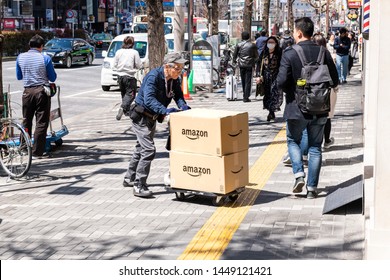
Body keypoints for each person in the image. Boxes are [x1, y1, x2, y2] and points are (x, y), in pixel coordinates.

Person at [277, 17, 338, 199]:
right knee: (315, 147)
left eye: (295, 32)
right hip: (319, 106)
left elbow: (281, 82)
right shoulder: (323, 52)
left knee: (293, 141)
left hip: (296, 107)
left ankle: (298, 175)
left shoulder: (289, 53)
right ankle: (312, 189)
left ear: (299, 33)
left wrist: (294, 88)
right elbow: (334, 80)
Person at [123, 52, 190, 198]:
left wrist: (183, 105)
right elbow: (149, 100)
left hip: (152, 118)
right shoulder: (154, 77)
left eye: (181, 69)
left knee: (141, 147)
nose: (180, 72)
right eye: (177, 68)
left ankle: (129, 177)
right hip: (140, 117)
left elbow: (178, 95)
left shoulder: (174, 79)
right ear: (167, 67)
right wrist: (165, 111)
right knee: (148, 150)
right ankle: (139, 185)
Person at [16, 34, 57, 158]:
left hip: (27, 92)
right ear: (41, 46)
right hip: (41, 92)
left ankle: (24, 148)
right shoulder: (45, 58)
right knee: (41, 122)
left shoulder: (20, 57)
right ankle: (37, 152)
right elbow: (52, 77)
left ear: (29, 45)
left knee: (26, 120)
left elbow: (19, 76)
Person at [312, 33, 339, 149]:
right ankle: (326, 141)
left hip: (311, 90)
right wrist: (335, 85)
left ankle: (313, 142)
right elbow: (333, 72)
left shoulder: (308, 53)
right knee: (327, 115)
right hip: (326, 89)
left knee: (313, 117)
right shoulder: (325, 53)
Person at [113, 36, 143, 120]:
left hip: (120, 76)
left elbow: (114, 65)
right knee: (131, 94)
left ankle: (126, 111)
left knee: (124, 93)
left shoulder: (118, 52)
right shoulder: (134, 52)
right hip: (129, 76)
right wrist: (139, 67)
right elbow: (139, 64)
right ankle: (123, 108)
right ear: (132, 44)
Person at [255, 36, 283, 122]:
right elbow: (259, 65)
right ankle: (270, 111)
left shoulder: (280, 53)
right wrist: (258, 76)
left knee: (275, 93)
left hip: (276, 76)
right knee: (268, 93)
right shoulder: (264, 53)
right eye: (269, 42)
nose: (270, 44)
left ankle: (272, 110)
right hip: (266, 77)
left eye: (272, 42)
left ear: (276, 44)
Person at [233, 31, 259, 102]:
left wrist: (234, 61)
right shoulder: (252, 45)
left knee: (243, 80)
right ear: (249, 36)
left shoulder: (239, 44)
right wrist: (255, 62)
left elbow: (235, 54)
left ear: (242, 37)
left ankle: (245, 94)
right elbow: (257, 56)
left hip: (241, 64)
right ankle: (246, 96)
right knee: (248, 81)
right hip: (249, 64)